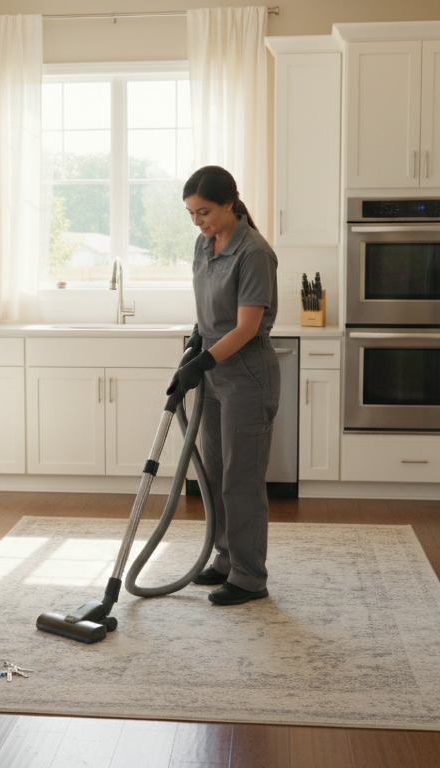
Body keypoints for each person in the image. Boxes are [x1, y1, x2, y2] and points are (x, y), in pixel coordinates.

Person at [168, 165, 280, 606]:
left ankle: (250, 577)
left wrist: (201, 361)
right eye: (192, 214)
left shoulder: (254, 253)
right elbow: (210, 304)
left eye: (205, 212)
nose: (199, 222)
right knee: (213, 471)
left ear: (230, 202)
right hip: (213, 367)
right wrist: (199, 338)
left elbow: (248, 326)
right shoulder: (205, 243)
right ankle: (225, 558)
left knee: (241, 478)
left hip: (246, 373)